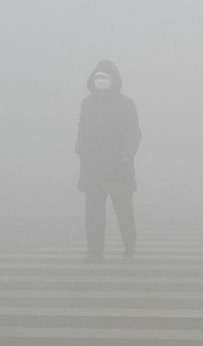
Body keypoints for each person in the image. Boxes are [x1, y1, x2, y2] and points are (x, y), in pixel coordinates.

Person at [76, 60, 141, 263]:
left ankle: (129, 248)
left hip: (119, 167)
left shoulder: (126, 104)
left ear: (114, 80)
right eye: (97, 77)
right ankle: (94, 252)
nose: (100, 81)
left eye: (104, 77)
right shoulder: (87, 104)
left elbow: (134, 133)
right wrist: (80, 151)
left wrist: (127, 154)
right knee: (93, 214)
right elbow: (82, 131)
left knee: (124, 211)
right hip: (93, 168)